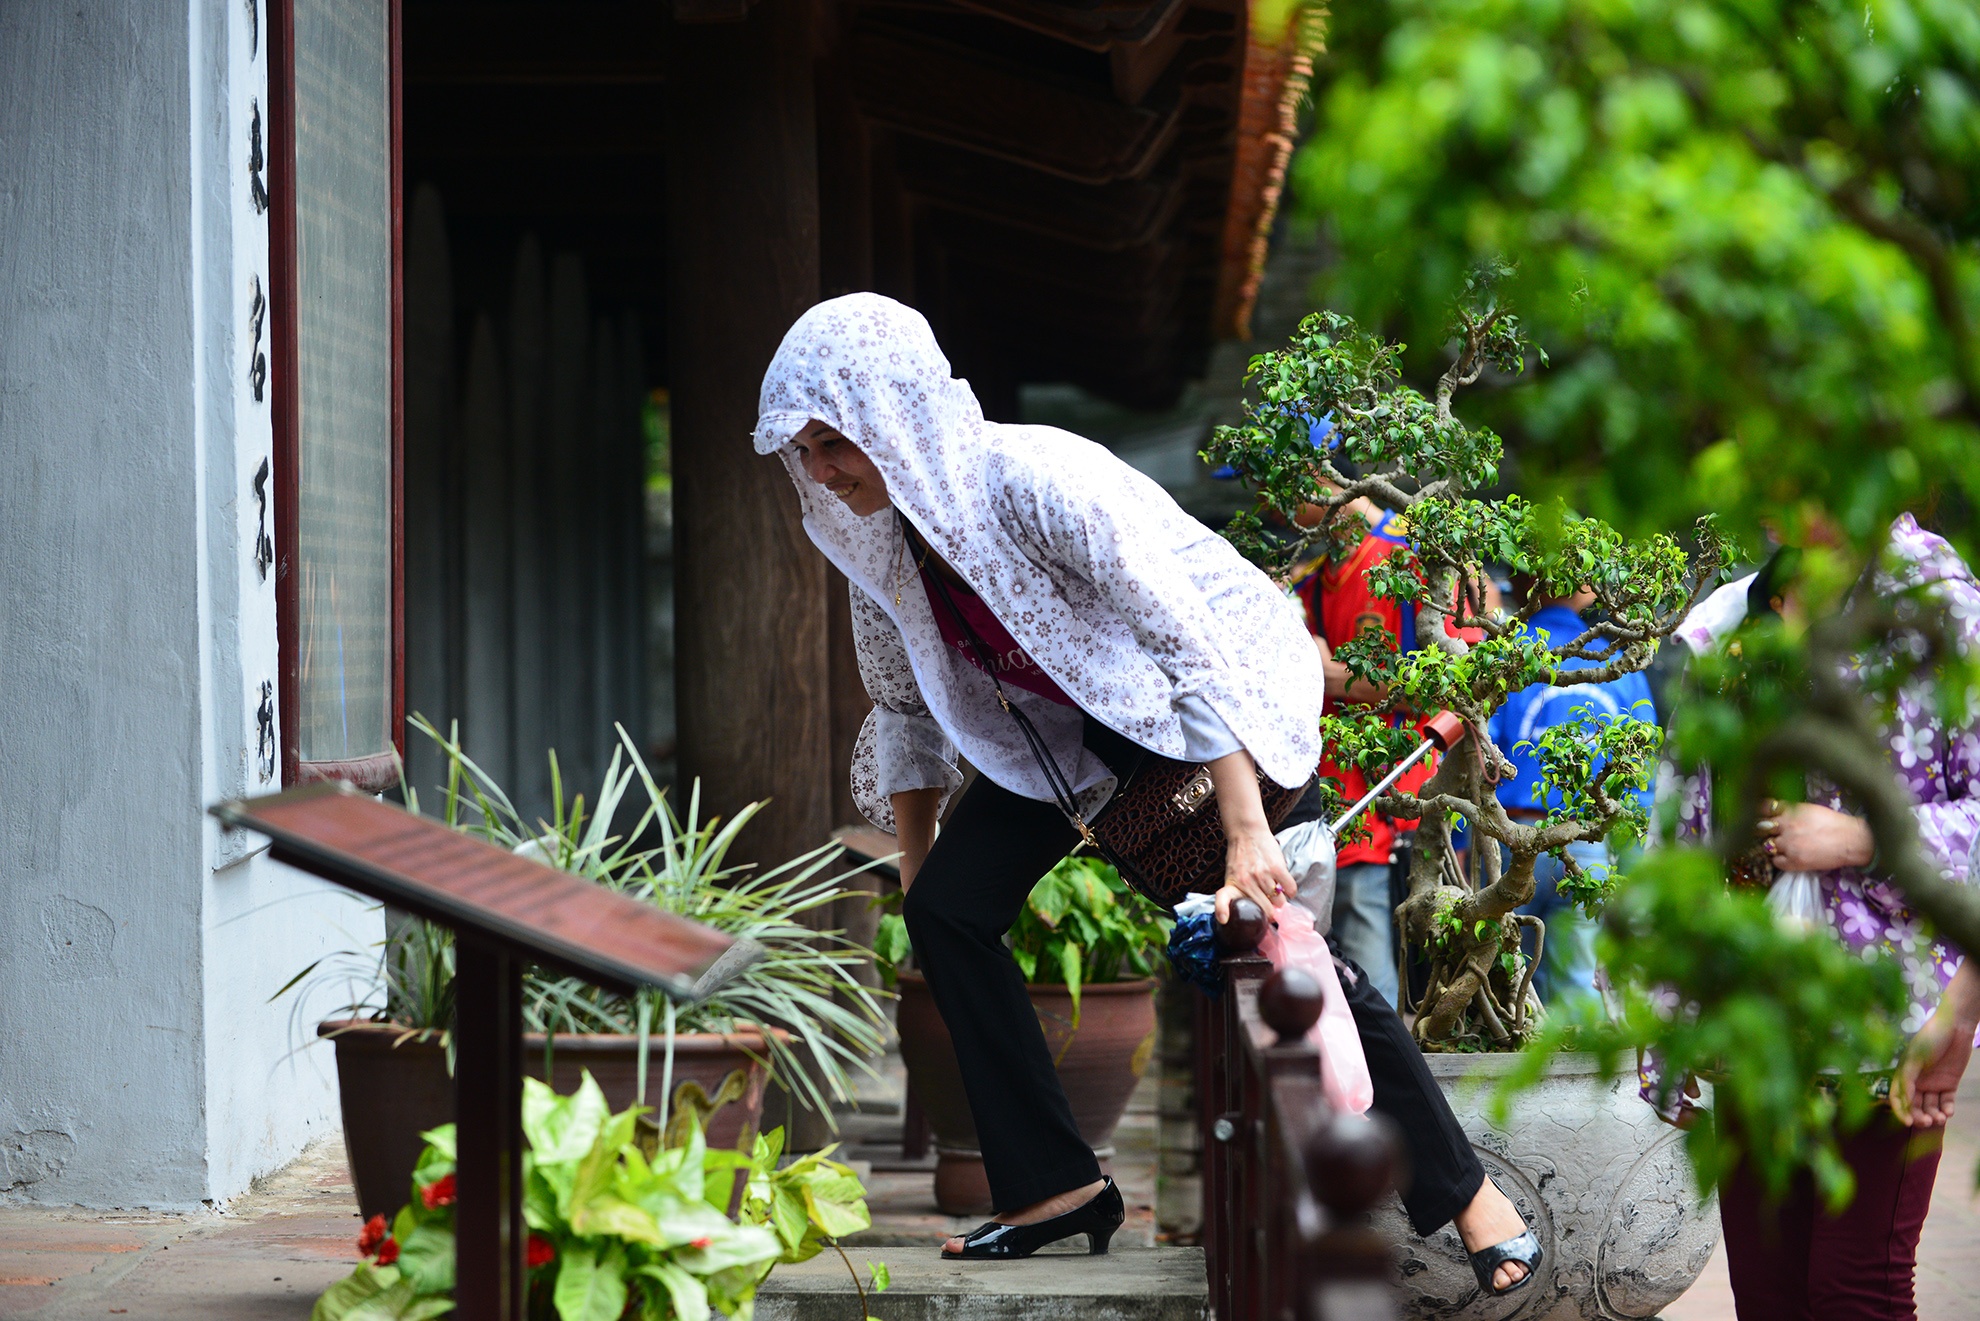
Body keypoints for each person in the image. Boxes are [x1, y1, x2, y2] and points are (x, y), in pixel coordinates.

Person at [754, 294, 1541, 1292]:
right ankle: (1055, 1188)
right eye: (806, 451)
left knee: (1280, 947)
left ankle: (1471, 1198)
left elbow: (1184, 644)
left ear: (896, 413)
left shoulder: (1034, 480)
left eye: (835, 443)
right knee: (949, 911)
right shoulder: (886, 549)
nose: (820, 471)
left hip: (1197, 720)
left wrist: (1247, 827)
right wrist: (917, 876)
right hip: (1054, 742)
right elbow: (906, 710)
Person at [1656, 515, 1979, 1319]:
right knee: (1766, 1293)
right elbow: (1683, 820)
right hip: (1752, 1015)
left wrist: (1863, 839)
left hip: (1893, 1015)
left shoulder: (1940, 604)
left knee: (1853, 1291)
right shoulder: (1733, 618)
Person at [1487, 584, 1657, 1009]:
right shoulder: (1620, 663)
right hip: (1587, 846)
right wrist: (1634, 859)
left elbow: (1479, 753)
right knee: (1577, 982)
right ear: (1586, 589)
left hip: (1511, 838)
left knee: (1503, 989)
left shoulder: (1503, 653)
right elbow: (1642, 774)